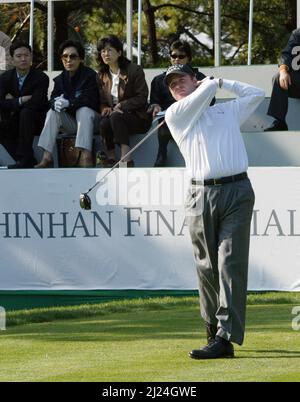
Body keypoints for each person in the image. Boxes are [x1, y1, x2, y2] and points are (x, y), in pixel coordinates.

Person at [165, 64, 265, 359]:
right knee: (206, 267)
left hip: (237, 191)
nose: (176, 87)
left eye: (181, 80)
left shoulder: (226, 112)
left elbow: (256, 93)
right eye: (171, 85)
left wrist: (222, 80)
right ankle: (212, 331)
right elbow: (200, 95)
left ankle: (226, 338)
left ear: (194, 79)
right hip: (200, 193)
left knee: (230, 264)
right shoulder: (176, 115)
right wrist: (209, 84)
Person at [35, 40, 100, 168]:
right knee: (52, 112)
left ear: (80, 59)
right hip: (75, 122)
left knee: (84, 110)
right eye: (65, 56)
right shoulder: (60, 79)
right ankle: (47, 157)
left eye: (73, 56)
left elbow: (90, 99)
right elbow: (53, 98)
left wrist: (70, 103)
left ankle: (86, 155)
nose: (68, 60)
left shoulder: (90, 75)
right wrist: (55, 103)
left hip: (93, 121)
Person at [150, 40, 215, 167]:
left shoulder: (200, 77)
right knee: (165, 121)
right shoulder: (159, 80)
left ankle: (201, 160)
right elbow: (154, 101)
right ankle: (161, 154)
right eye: (173, 56)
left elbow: (211, 101)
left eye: (181, 56)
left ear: (188, 58)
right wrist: (155, 106)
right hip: (169, 120)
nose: (177, 59)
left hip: (194, 118)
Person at [97, 35, 151, 167]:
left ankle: (126, 157)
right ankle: (111, 157)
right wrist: (105, 108)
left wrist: (123, 105)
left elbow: (142, 96)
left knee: (115, 116)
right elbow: (101, 100)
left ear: (119, 52)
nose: (105, 54)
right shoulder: (102, 75)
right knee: (104, 122)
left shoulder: (134, 70)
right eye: (103, 51)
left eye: (109, 50)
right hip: (115, 116)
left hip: (137, 117)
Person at [0, 41, 49, 168]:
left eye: (26, 55)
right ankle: (22, 159)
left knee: (26, 113)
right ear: (12, 59)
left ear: (31, 57)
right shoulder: (4, 78)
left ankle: (25, 158)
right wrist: (20, 100)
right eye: (19, 56)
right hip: (13, 119)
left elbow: (36, 102)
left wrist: (11, 102)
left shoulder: (41, 77)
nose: (23, 59)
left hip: (36, 120)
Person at [265, 28, 300, 131]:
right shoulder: (298, 34)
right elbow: (286, 54)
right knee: (277, 77)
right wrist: (283, 71)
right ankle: (280, 122)